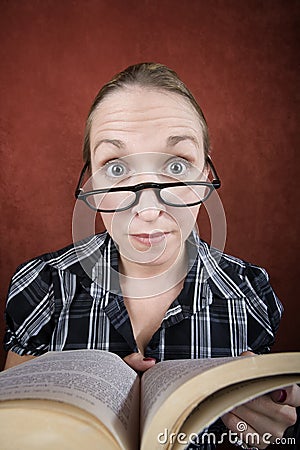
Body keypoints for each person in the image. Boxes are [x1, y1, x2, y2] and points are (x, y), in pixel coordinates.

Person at [3, 62, 299, 449]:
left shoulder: (251, 293)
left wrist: (277, 431)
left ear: (206, 173)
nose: (147, 208)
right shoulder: (42, 285)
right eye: (116, 166)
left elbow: (269, 428)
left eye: (176, 165)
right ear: (91, 178)